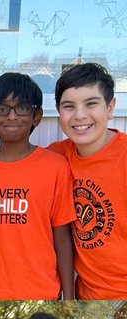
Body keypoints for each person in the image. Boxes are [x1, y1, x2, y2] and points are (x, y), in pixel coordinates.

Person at [0, 73, 75, 300]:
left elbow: (62, 237)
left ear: (36, 116)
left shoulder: (55, 167)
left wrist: (68, 296)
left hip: (39, 291)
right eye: (2, 109)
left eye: (21, 108)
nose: (11, 116)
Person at [48, 63, 127, 299]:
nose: (80, 115)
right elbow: (17, 162)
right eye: (69, 106)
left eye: (91, 104)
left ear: (110, 107)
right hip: (86, 296)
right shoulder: (57, 156)